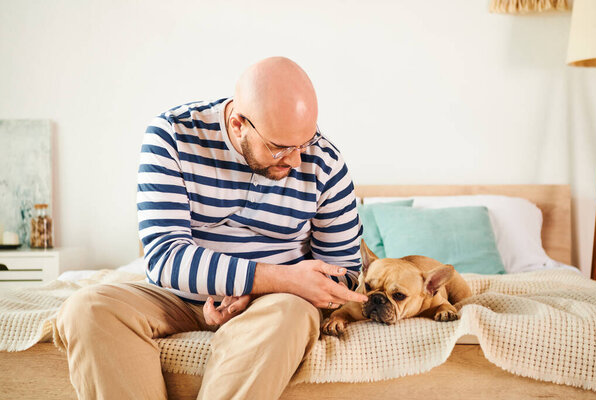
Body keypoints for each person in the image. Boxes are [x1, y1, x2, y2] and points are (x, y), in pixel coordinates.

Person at [56, 56, 368, 400]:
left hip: (277, 305)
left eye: (304, 143)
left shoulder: (326, 163)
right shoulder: (173, 135)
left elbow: (345, 276)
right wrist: (276, 276)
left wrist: (260, 290)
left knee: (290, 313)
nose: (296, 160)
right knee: (87, 308)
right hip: (177, 299)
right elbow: (165, 259)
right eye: (280, 148)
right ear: (238, 124)